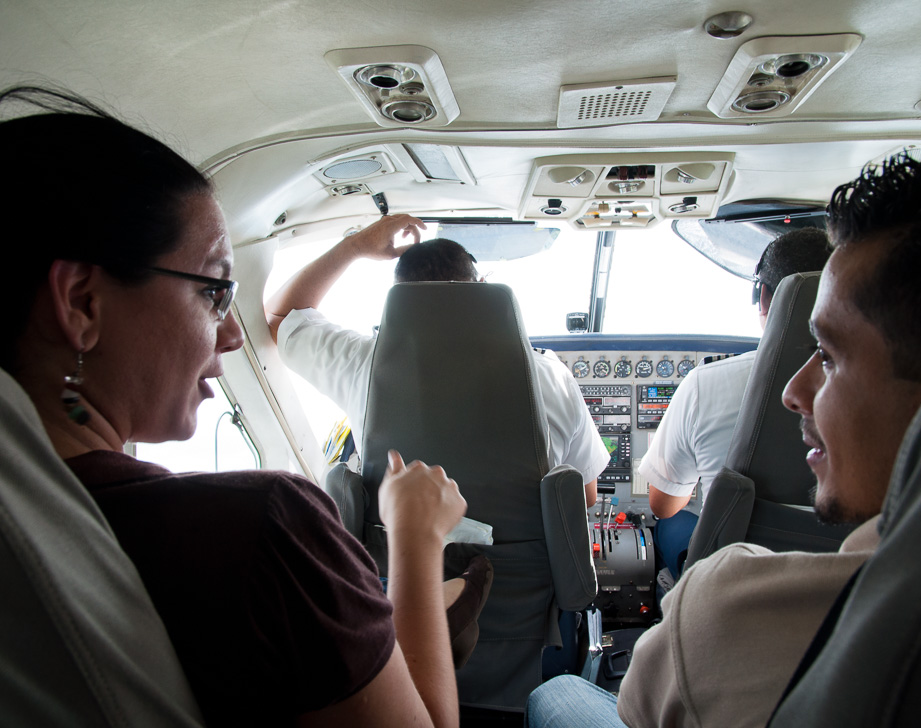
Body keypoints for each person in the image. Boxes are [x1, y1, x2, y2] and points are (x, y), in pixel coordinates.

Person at [0, 85, 483, 728]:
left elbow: (288, 316)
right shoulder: (264, 529)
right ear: (83, 303)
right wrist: (417, 541)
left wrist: (356, 246)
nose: (232, 334)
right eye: (214, 291)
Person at [526, 145, 921, 728]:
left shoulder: (731, 605)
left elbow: (661, 504)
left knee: (557, 694)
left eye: (830, 356)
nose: (793, 392)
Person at [265, 223, 610, 506]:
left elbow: (280, 316)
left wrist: (354, 247)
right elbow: (585, 495)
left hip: (400, 576)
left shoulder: (360, 364)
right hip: (524, 584)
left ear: (400, 305)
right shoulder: (553, 377)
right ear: (483, 291)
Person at [639, 227, 832, 578]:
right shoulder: (892, 386)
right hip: (848, 576)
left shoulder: (705, 384)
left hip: (733, 578)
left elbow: (662, 504)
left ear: (763, 298)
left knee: (670, 524)